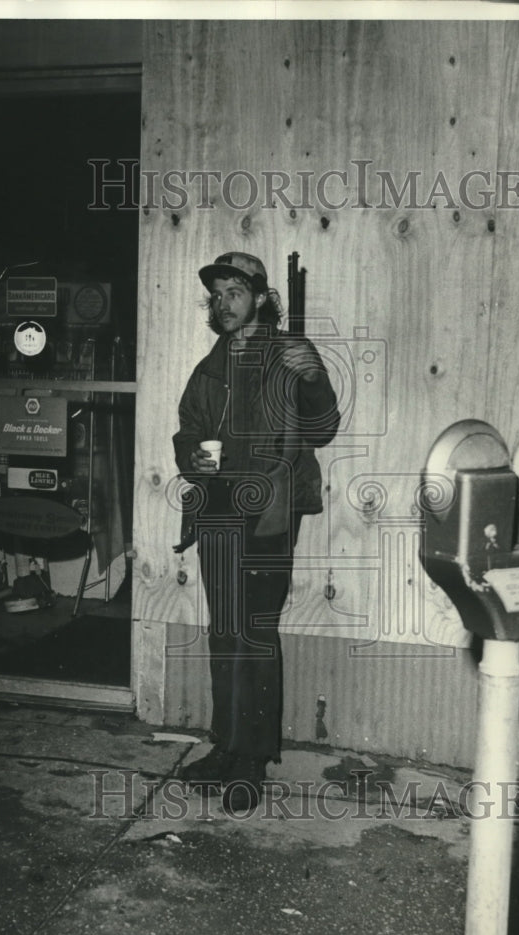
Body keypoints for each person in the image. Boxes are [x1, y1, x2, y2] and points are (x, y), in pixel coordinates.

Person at [172, 251, 340, 811]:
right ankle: (225, 748)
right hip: (217, 509)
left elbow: (322, 429)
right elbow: (187, 430)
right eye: (217, 296)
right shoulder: (210, 367)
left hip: (269, 510)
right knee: (224, 631)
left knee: (255, 633)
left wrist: (313, 379)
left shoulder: (288, 357)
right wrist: (194, 456)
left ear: (262, 298)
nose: (223, 304)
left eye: (235, 293)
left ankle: (251, 759)